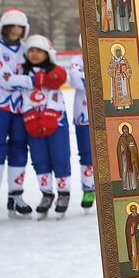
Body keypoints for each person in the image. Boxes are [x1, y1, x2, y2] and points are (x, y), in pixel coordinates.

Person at [0, 8, 34, 221]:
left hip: (20, 108)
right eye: (11, 26)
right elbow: (5, 78)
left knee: (19, 149)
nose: (15, 30)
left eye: (19, 27)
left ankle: (16, 195)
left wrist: (22, 79)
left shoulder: (26, 49)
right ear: (3, 27)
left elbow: (35, 74)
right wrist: (24, 80)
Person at [20, 35, 71, 216]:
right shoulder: (23, 73)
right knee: (40, 159)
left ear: (47, 53)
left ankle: (64, 192)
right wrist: (30, 116)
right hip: (33, 123)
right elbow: (23, 97)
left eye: (39, 51)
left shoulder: (55, 70)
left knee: (60, 157)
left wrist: (50, 113)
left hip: (55, 122)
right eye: (31, 51)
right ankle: (47, 193)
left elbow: (59, 79)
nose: (34, 54)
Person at [68, 55, 95, 209]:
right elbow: (75, 79)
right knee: (86, 154)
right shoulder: (77, 59)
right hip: (83, 115)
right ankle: (88, 188)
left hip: (105, 114)